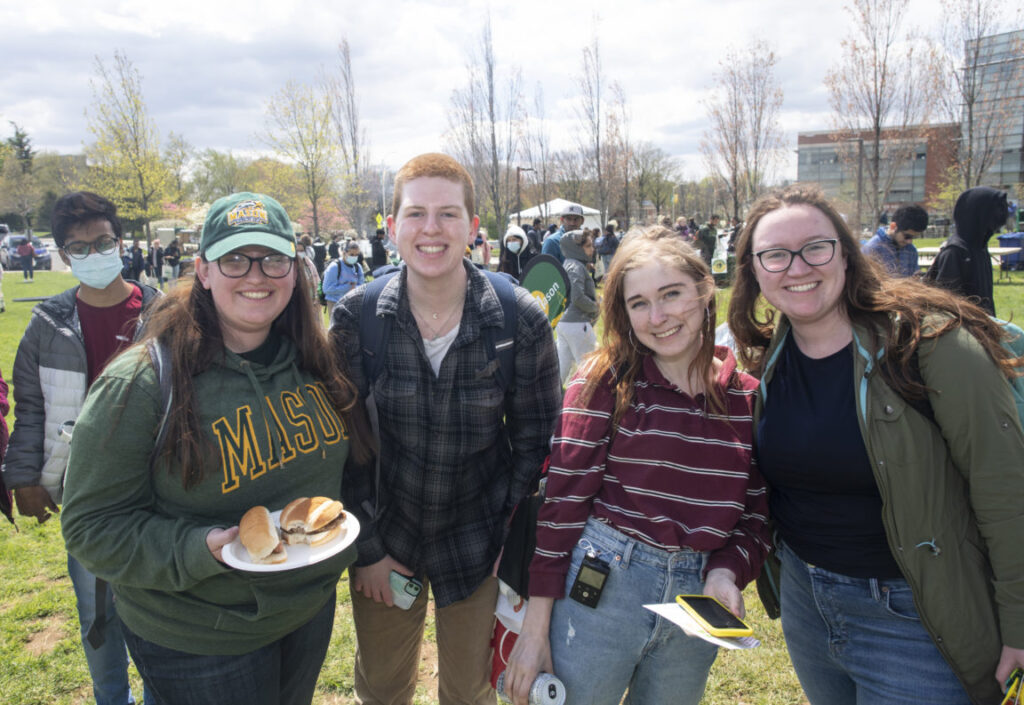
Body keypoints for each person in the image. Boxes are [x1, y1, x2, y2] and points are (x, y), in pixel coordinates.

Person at [60, 191, 373, 705]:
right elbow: (91, 527)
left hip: (307, 613)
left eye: (274, 258)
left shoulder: (315, 361)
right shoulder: (141, 384)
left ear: (294, 272)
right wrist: (196, 549)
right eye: (235, 259)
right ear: (203, 270)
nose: (257, 275)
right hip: (199, 638)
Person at [728, 184, 1024, 705]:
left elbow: (1006, 491)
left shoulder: (930, 346)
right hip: (807, 604)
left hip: (915, 618)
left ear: (845, 251)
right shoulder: (767, 357)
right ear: (753, 271)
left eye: (815, 247)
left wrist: (1020, 624)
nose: (797, 267)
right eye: (774, 255)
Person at [330, 153, 561, 705]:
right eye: (415, 214)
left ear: (473, 228)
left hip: (480, 548)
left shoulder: (518, 320)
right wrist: (367, 550)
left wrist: (503, 533)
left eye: (448, 214)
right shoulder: (356, 318)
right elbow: (341, 446)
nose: (431, 230)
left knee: (470, 692)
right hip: (388, 540)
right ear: (391, 229)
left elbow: (537, 444)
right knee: (383, 689)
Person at [505, 226, 769, 705]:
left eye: (672, 294)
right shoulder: (603, 382)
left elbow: (757, 511)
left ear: (706, 291)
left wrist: (727, 571)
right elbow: (560, 513)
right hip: (602, 587)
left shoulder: (747, 398)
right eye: (639, 303)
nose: (659, 316)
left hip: (696, 599)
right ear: (623, 313)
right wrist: (534, 631)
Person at [4, 191, 160, 705]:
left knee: (162, 604)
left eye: (104, 242)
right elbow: (31, 407)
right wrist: (25, 477)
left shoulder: (162, 311)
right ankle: (112, 698)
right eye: (81, 247)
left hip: (160, 487)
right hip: (86, 493)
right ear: (65, 255)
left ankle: (166, 693)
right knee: (97, 610)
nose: (95, 254)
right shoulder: (48, 324)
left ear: (121, 242)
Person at [925, 186, 1008, 316]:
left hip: (984, 327)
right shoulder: (955, 252)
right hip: (963, 329)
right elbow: (947, 303)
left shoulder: (980, 247)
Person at [555, 229, 599, 385]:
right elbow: (577, 297)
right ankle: (588, 402)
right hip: (577, 324)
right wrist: (595, 307)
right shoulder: (576, 267)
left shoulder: (571, 264)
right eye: (587, 246)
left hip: (565, 322)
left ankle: (553, 399)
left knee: (562, 366)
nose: (591, 249)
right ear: (575, 248)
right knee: (590, 369)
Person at [861, 203, 927, 277]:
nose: (909, 241)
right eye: (907, 236)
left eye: (914, 237)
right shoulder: (872, 248)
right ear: (893, 226)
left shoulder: (911, 250)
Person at [297, 234, 322, 304]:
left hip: (310, 296)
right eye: (297, 251)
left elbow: (316, 280)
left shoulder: (309, 264)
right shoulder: (291, 266)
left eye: (301, 250)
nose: (299, 253)